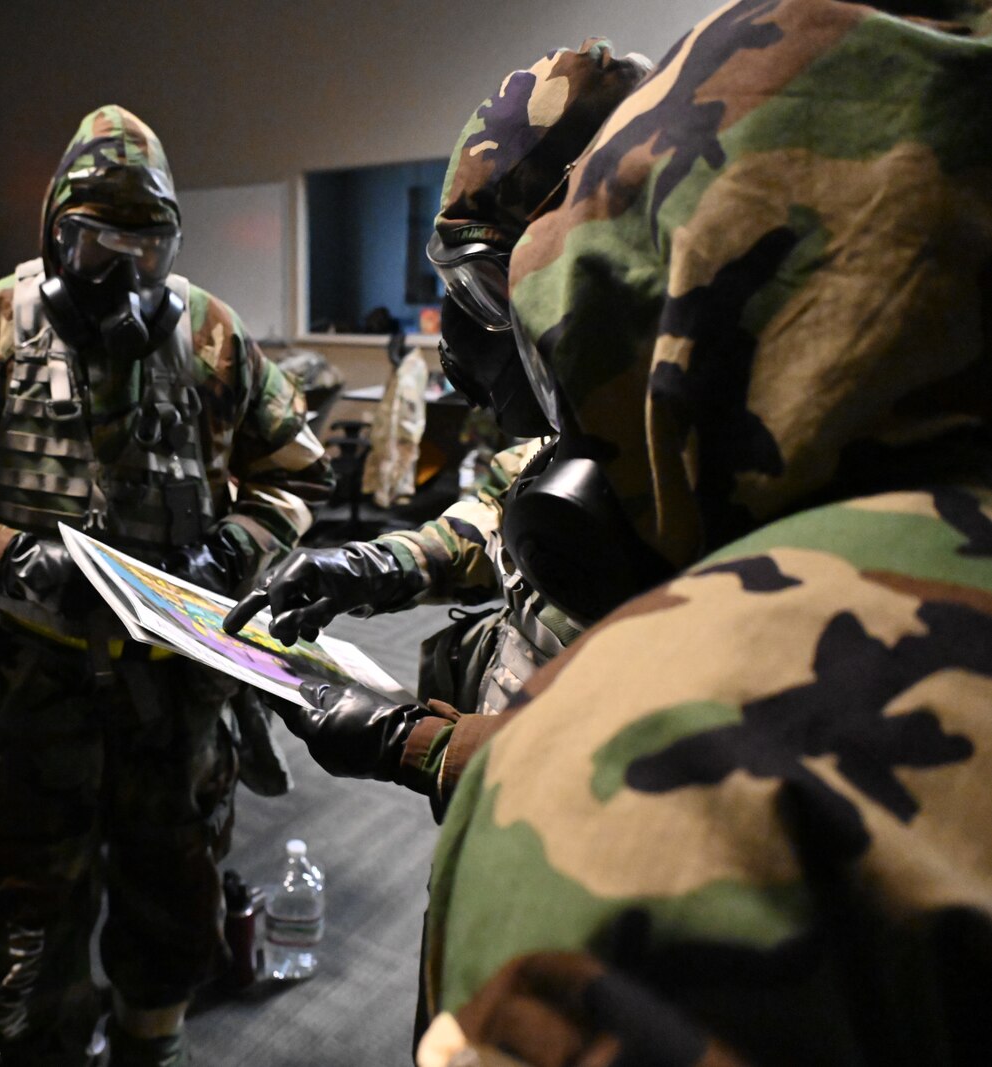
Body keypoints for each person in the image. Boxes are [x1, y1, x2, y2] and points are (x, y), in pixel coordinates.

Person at [415, 1, 992, 1063]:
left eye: (517, 288)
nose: (488, 344)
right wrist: (377, 563)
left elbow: (613, 785)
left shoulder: (701, 709)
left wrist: (427, 746)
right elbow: (500, 505)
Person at [0, 105, 333, 1067]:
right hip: (30, 686)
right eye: (95, 244)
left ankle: (150, 1048)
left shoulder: (212, 336)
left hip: (172, 695)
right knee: (23, 921)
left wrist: (227, 552)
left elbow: (297, 477)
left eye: (147, 247)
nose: (121, 272)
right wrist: (3, 556)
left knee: (173, 906)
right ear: (54, 235)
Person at [224, 40, 650, 815]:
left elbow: (688, 776)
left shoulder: (718, 485)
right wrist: (367, 566)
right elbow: (494, 521)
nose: (460, 342)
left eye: (491, 288)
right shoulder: (584, 442)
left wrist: (421, 746)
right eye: (457, 287)